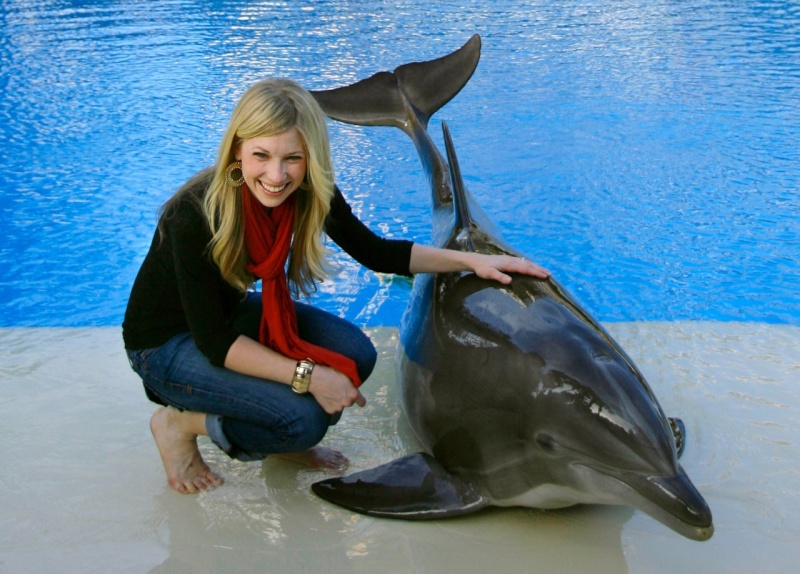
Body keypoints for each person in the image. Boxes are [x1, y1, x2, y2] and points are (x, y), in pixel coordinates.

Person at [122, 78, 550, 494]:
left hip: (226, 317)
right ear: (237, 150)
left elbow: (377, 253)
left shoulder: (309, 191)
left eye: (293, 157)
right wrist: (308, 377)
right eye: (261, 155)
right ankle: (179, 424)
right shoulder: (194, 212)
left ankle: (276, 440)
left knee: (356, 356)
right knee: (300, 421)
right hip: (164, 345)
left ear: (311, 157)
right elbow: (215, 343)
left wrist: (472, 259)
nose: (276, 175)